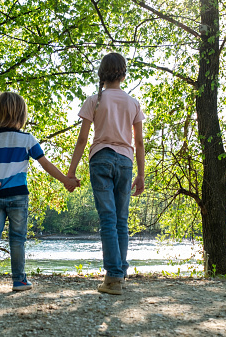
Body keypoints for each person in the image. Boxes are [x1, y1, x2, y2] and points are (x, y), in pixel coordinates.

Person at [0, 92, 79, 296]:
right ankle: (19, 280)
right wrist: (66, 180)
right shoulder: (27, 139)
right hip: (18, 197)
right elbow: (45, 163)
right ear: (21, 115)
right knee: (17, 239)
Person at [67, 52, 145, 295]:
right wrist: (141, 174)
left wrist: (71, 172)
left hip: (100, 158)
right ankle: (119, 273)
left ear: (102, 73)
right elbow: (139, 143)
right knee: (121, 219)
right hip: (125, 161)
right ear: (123, 73)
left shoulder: (95, 100)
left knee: (108, 219)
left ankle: (113, 278)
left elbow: (82, 139)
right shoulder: (132, 103)